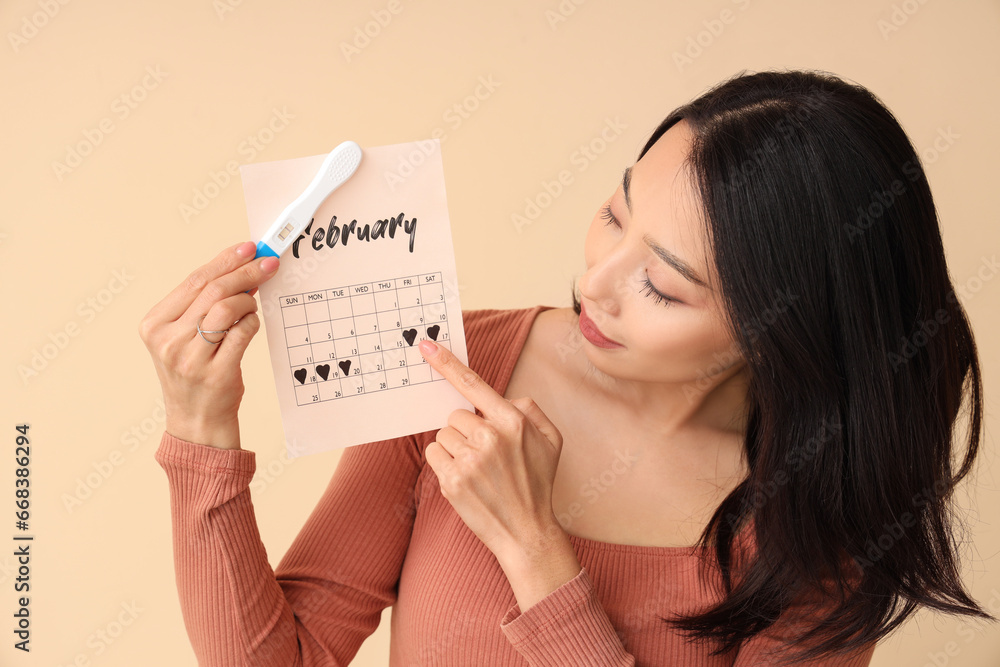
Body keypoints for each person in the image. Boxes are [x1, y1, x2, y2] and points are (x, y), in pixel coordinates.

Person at [140, 69, 991, 666]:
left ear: (779, 332)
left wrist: (536, 551)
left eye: (662, 285)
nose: (596, 282)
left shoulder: (820, 529)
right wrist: (201, 433)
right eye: (613, 214)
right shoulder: (451, 369)